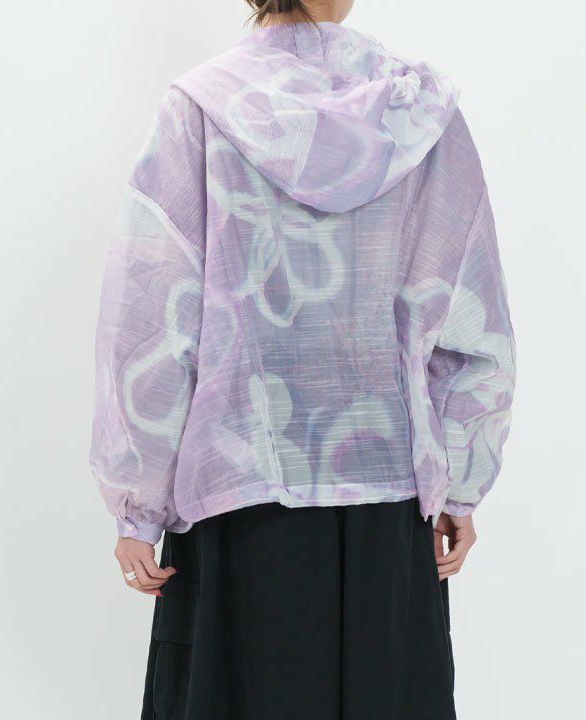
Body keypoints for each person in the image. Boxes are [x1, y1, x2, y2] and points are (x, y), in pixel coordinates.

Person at [90, 1, 516, 717]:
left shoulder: (199, 108)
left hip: (239, 494)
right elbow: (473, 318)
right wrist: (462, 483)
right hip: (389, 501)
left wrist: (139, 504)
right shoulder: (421, 118)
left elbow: (152, 324)